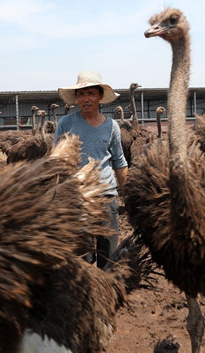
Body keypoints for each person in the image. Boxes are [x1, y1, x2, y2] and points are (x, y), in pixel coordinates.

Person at [54, 70, 128, 269]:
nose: (85, 99)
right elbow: (56, 161)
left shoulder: (112, 126)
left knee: (109, 260)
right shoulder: (66, 124)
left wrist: (128, 197)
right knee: (81, 260)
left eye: (90, 94)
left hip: (106, 197)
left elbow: (119, 162)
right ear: (76, 98)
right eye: (81, 94)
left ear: (100, 97)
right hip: (77, 198)